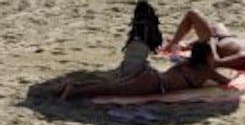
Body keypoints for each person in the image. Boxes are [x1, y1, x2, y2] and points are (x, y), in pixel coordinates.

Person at [59, 42, 232, 100]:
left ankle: (75, 85)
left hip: (153, 78)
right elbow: (226, 82)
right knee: (113, 89)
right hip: (155, 83)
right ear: (207, 57)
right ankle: (74, 91)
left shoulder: (188, 64)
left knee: (114, 86)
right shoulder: (207, 72)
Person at [164, 9, 245, 72]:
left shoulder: (244, 55)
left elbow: (216, 62)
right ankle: (186, 44)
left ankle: (173, 44)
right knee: (218, 26)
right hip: (224, 38)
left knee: (193, 13)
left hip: (213, 45)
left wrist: (212, 41)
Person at [117, 0, 163, 79]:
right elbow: (156, 45)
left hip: (124, 70)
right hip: (138, 72)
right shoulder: (149, 34)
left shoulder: (134, 34)